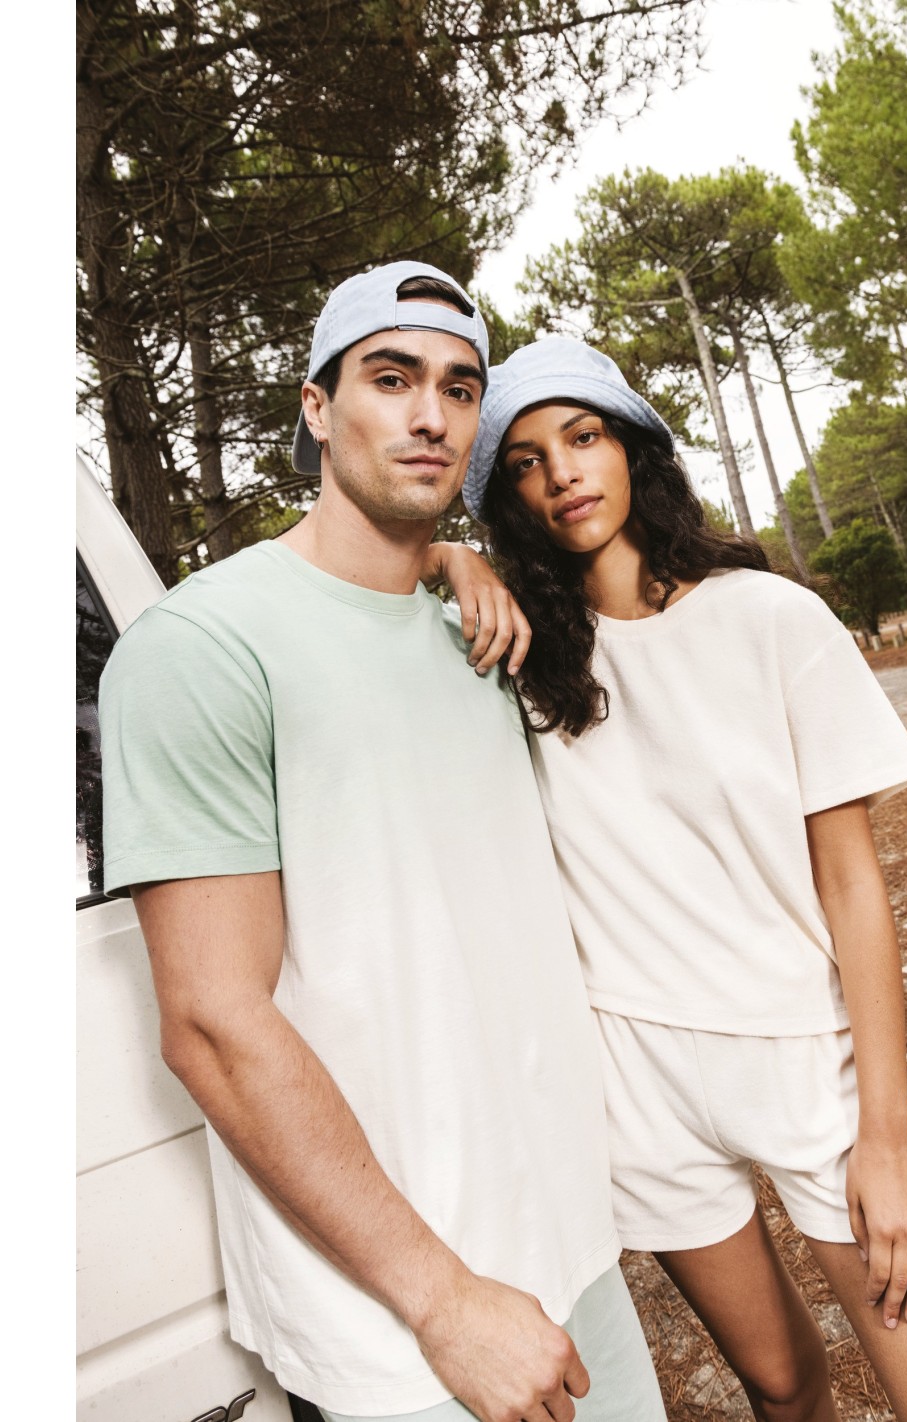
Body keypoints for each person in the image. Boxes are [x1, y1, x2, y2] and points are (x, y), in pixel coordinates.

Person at [98, 269, 669, 1422]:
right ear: (316, 408)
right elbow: (212, 1024)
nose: (429, 416)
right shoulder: (202, 646)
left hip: (570, 1257)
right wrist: (442, 1300)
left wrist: (459, 560)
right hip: (405, 1331)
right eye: (391, 377)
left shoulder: (478, 631)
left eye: (458, 389)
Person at [444, 335, 907, 1422]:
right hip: (636, 1075)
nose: (560, 473)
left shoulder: (770, 618)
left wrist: (885, 1136)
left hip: (809, 1061)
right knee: (780, 1386)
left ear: (632, 447)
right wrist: (448, 558)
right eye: (522, 463)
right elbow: (344, 570)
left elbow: (852, 886)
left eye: (582, 437)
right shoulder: (518, 657)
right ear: (506, 500)